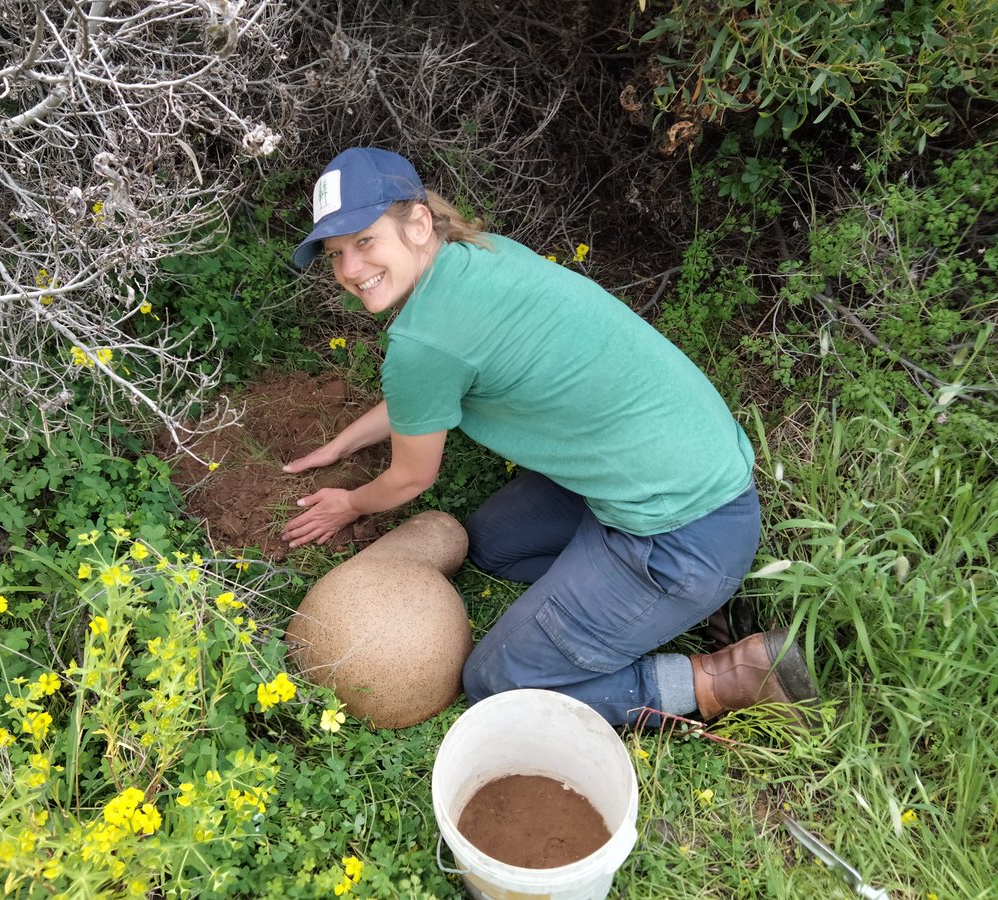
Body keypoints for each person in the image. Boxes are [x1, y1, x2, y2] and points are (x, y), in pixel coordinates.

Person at [280, 146, 817, 726]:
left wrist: (350, 505)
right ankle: (671, 607)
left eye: (364, 241)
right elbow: (430, 391)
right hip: (687, 479)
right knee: (493, 543)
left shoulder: (424, 343)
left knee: (498, 682)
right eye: (335, 254)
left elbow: (413, 474)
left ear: (417, 222)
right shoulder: (479, 256)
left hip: (681, 534)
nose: (350, 270)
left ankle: (723, 678)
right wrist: (345, 444)